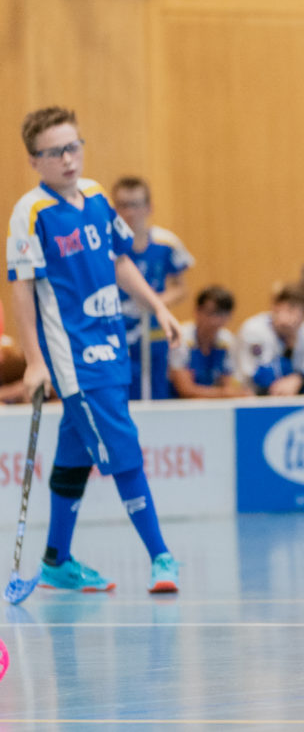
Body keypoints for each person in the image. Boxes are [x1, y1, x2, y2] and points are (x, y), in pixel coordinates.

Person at [6, 106, 182, 594]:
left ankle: (56, 561)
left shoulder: (98, 196)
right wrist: (36, 361)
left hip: (112, 344)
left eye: (73, 146)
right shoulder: (31, 213)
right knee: (122, 445)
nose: (67, 158)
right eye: (54, 152)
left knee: (76, 451)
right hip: (74, 357)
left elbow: (121, 259)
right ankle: (162, 556)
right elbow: (20, 289)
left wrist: (157, 309)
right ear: (34, 161)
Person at [111, 176, 193, 401]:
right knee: (120, 392)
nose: (130, 212)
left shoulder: (165, 243)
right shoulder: (105, 245)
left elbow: (181, 288)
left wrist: (156, 304)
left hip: (154, 331)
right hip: (117, 331)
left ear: (149, 207)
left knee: (155, 391)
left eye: (136, 205)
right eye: (123, 205)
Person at [236, 282, 304, 396]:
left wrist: (299, 380)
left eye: (301, 312)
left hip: (292, 399)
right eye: (290, 309)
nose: (294, 317)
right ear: (275, 307)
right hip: (254, 399)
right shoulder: (253, 330)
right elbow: (261, 379)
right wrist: (288, 349)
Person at [169, 284, 248, 399]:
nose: (215, 321)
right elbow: (186, 390)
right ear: (197, 311)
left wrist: (231, 392)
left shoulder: (227, 341)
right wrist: (225, 393)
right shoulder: (181, 338)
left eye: (222, 315)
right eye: (210, 313)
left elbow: (228, 385)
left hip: (211, 405)